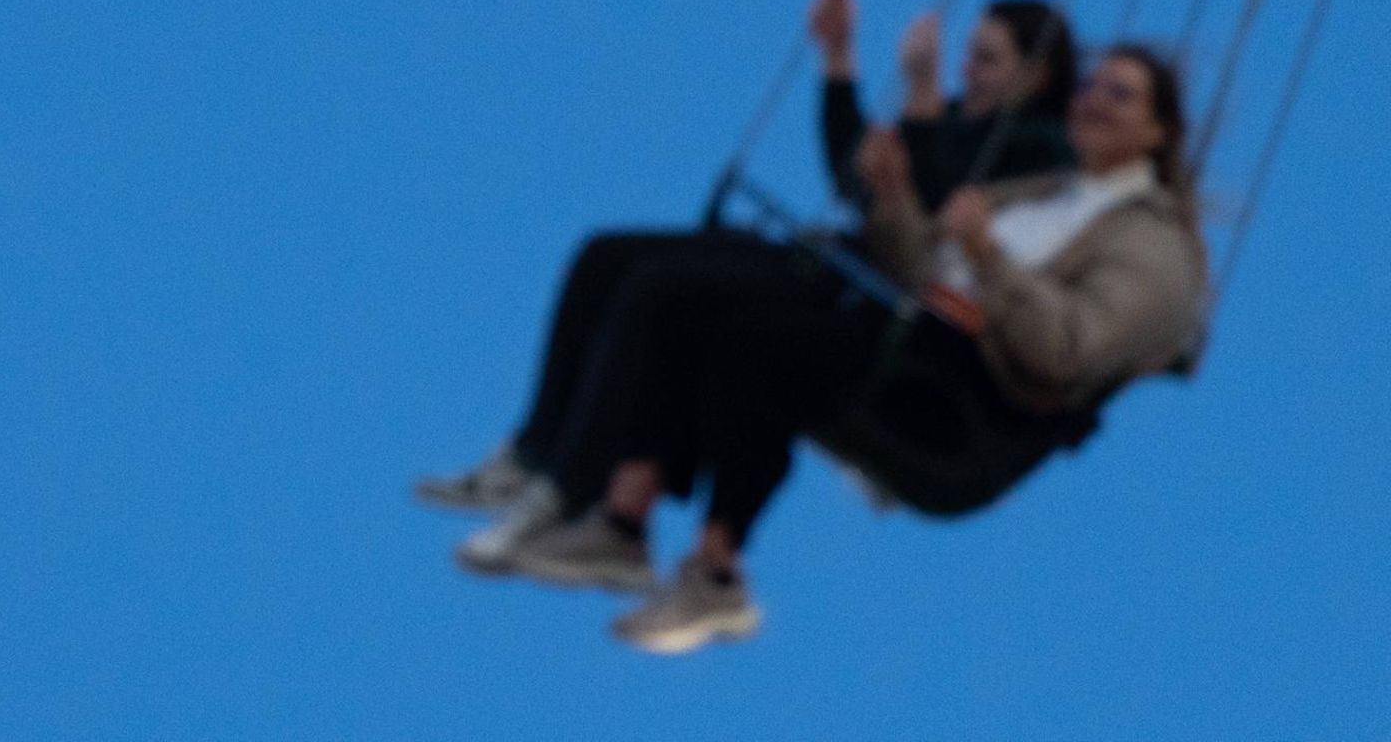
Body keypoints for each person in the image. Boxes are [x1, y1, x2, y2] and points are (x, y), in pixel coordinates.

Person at [494, 46, 1207, 655]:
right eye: (1090, 87)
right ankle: (620, 518)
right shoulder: (1048, 190)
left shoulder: (1153, 246)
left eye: (1122, 95)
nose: (1094, 102)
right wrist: (895, 198)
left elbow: (1066, 352)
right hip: (909, 334)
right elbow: (921, 267)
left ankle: (690, 561)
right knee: (671, 282)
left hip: (959, 404)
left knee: (749, 330)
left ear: (1158, 130)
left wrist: (990, 257)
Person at [416, 0, 1076, 575]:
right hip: (846, 258)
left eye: (987, 59)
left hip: (876, 303)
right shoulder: (959, 118)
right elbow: (858, 184)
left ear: (1036, 75)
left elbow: (936, 215)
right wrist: (839, 61)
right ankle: (539, 454)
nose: (968, 71)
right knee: (610, 258)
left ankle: (571, 491)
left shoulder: (1041, 153)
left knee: (671, 294)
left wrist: (924, 104)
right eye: (968, 55)